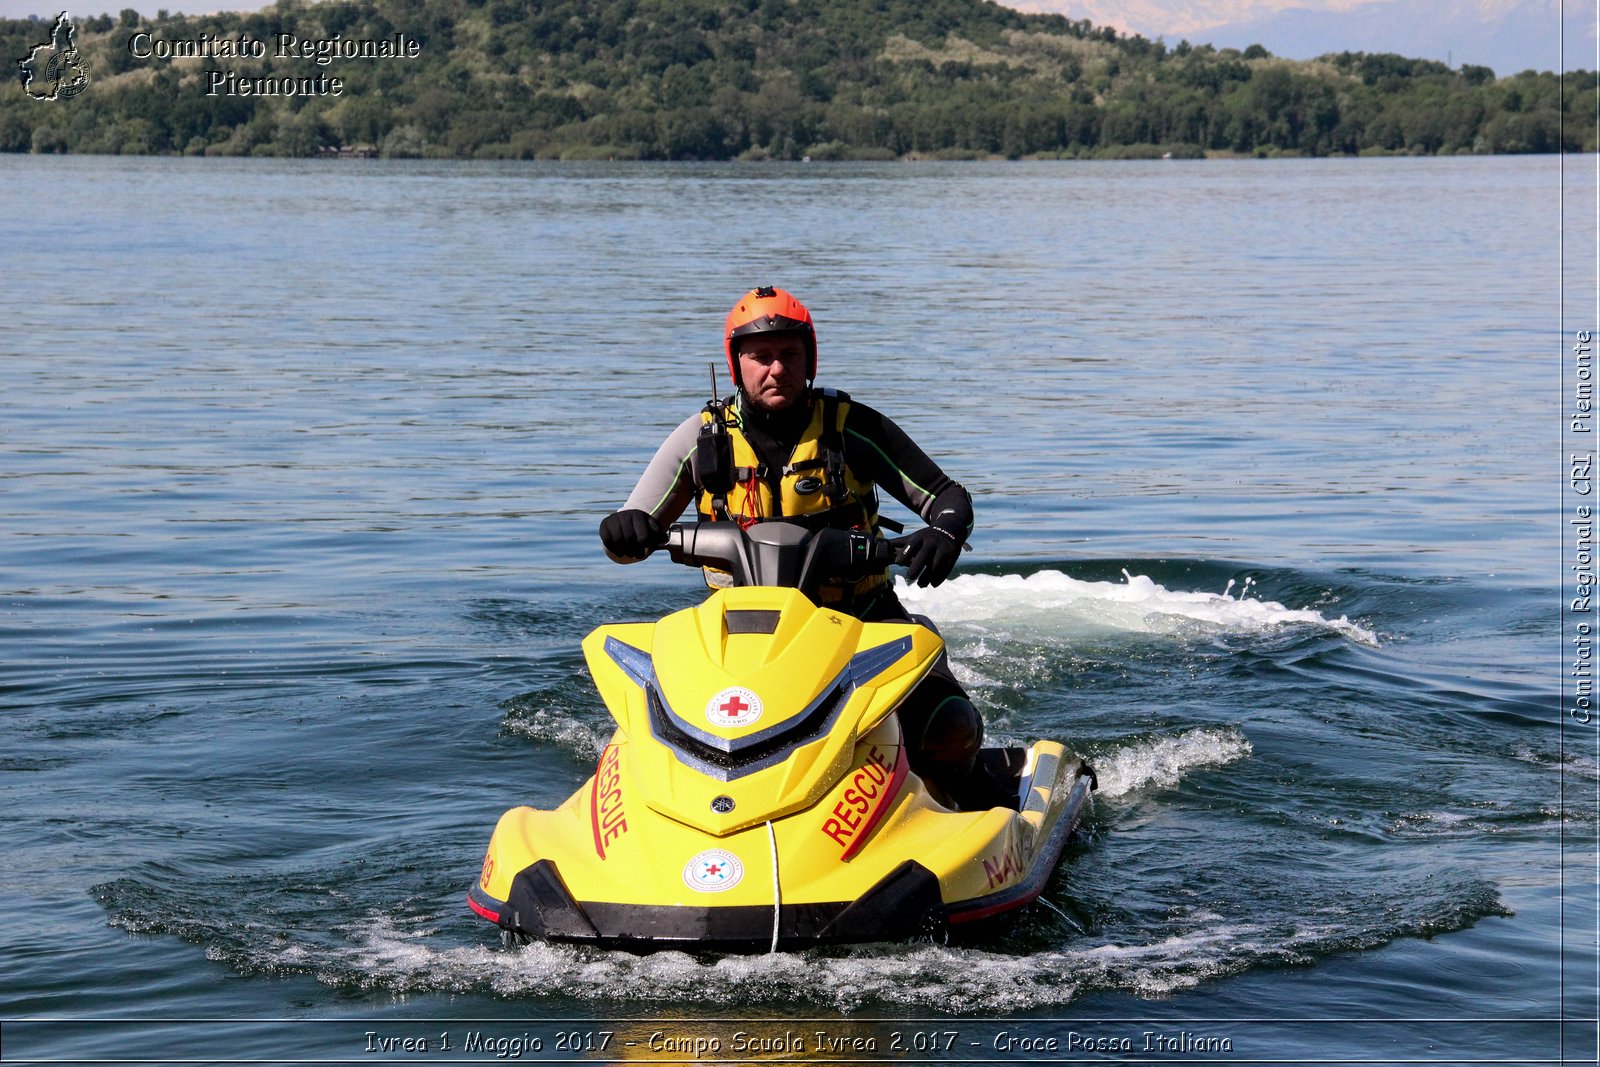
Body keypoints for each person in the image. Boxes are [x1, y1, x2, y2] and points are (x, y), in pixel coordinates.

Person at [599, 285, 990, 808]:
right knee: (649, 735)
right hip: (735, 637)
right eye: (760, 357)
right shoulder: (701, 438)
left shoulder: (853, 429)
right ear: (736, 365)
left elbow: (947, 497)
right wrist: (624, 531)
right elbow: (632, 535)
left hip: (862, 620)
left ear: (810, 359)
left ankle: (961, 815)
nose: (776, 370)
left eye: (789, 355)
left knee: (948, 727)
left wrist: (944, 532)